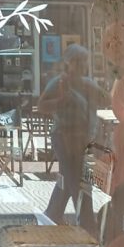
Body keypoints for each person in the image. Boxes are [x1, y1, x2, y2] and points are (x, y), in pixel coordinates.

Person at [37, 43, 107, 225]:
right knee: (79, 180)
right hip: (65, 137)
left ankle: (52, 214)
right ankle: (87, 223)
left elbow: (105, 100)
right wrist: (61, 101)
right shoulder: (60, 82)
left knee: (69, 178)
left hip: (84, 138)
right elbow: (42, 106)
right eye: (77, 60)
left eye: (84, 60)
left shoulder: (89, 83)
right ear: (69, 62)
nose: (81, 64)